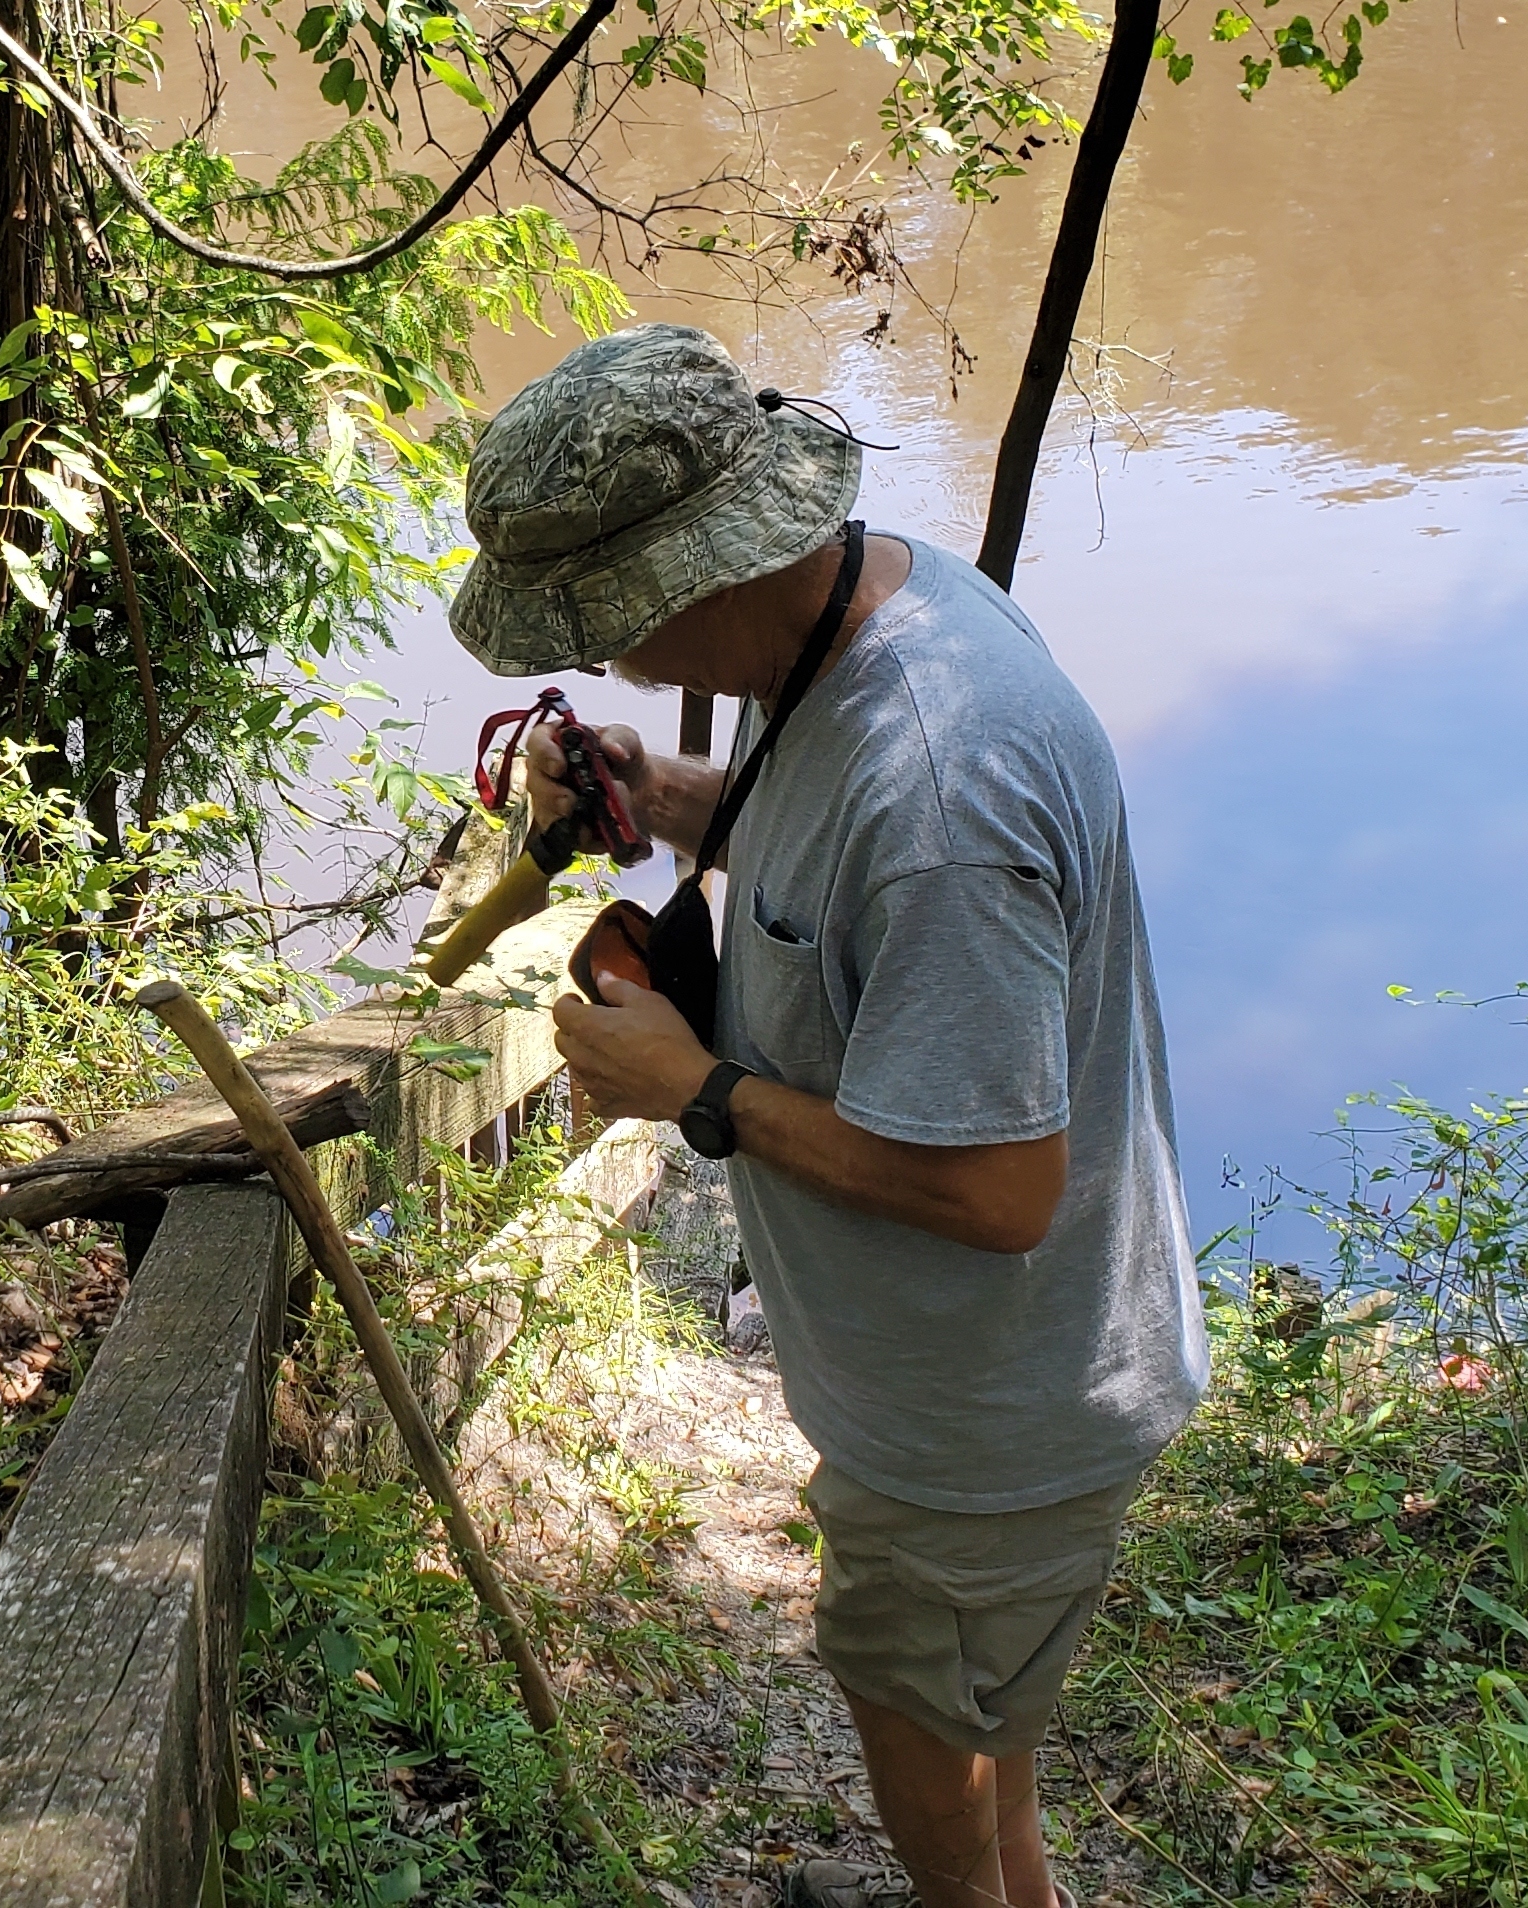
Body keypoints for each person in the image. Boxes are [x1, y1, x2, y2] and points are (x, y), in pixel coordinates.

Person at [443, 323, 1207, 1908]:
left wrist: (698, 1091)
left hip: (990, 1420)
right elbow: (828, 841)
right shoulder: (875, 601)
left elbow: (1002, 1194)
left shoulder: (945, 789)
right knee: (982, 1705)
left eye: (619, 627)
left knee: (918, 1711)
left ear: (700, 578)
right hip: (970, 1395)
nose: (629, 663)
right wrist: (665, 800)